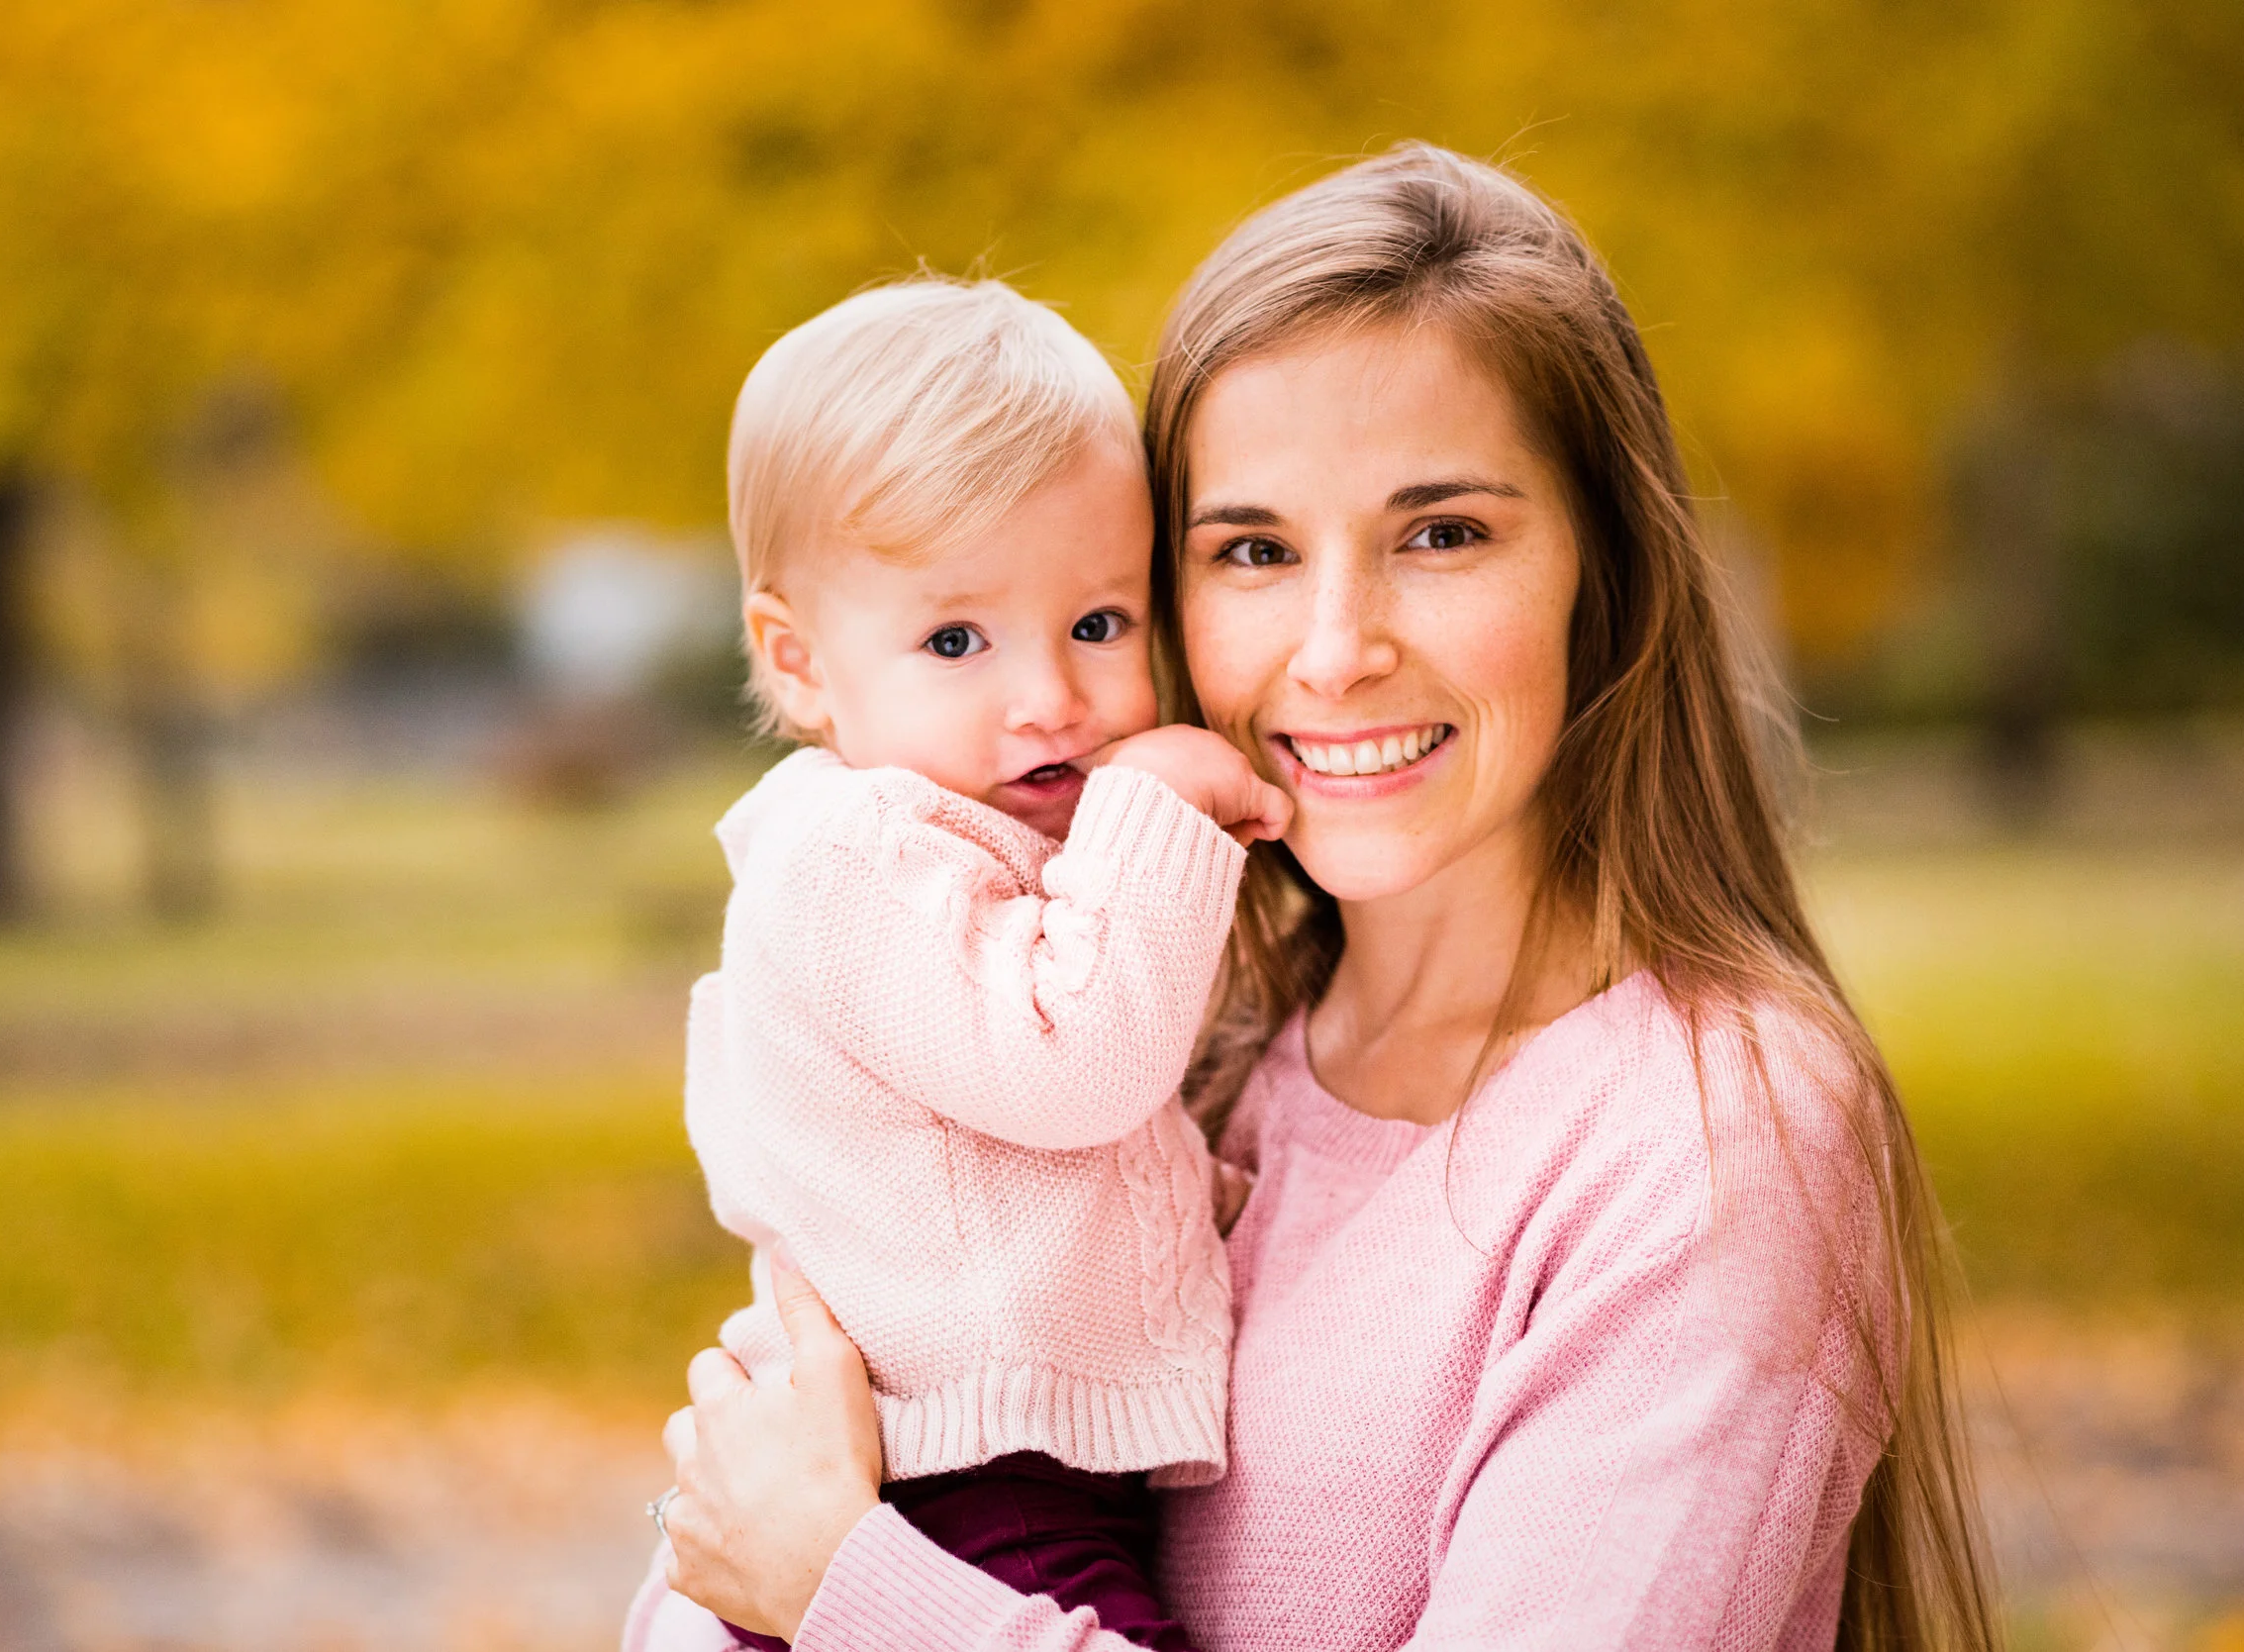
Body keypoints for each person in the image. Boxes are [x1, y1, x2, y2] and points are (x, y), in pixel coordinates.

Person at [637, 145, 1999, 1651]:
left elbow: (817, 1565)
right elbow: (747, 1515)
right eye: (1255, 551)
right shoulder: (1185, 1035)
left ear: (1599, 572)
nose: (1336, 646)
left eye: (1441, 534)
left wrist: (848, 1594)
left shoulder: (1708, 1138)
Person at [667, 275, 1291, 1651]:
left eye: (1098, 624)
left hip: (1012, 1462)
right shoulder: (850, 856)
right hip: (965, 1486)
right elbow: (1072, 1065)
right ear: (800, 661)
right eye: (957, 640)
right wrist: (1161, 807)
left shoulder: (954, 842)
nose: (1050, 699)